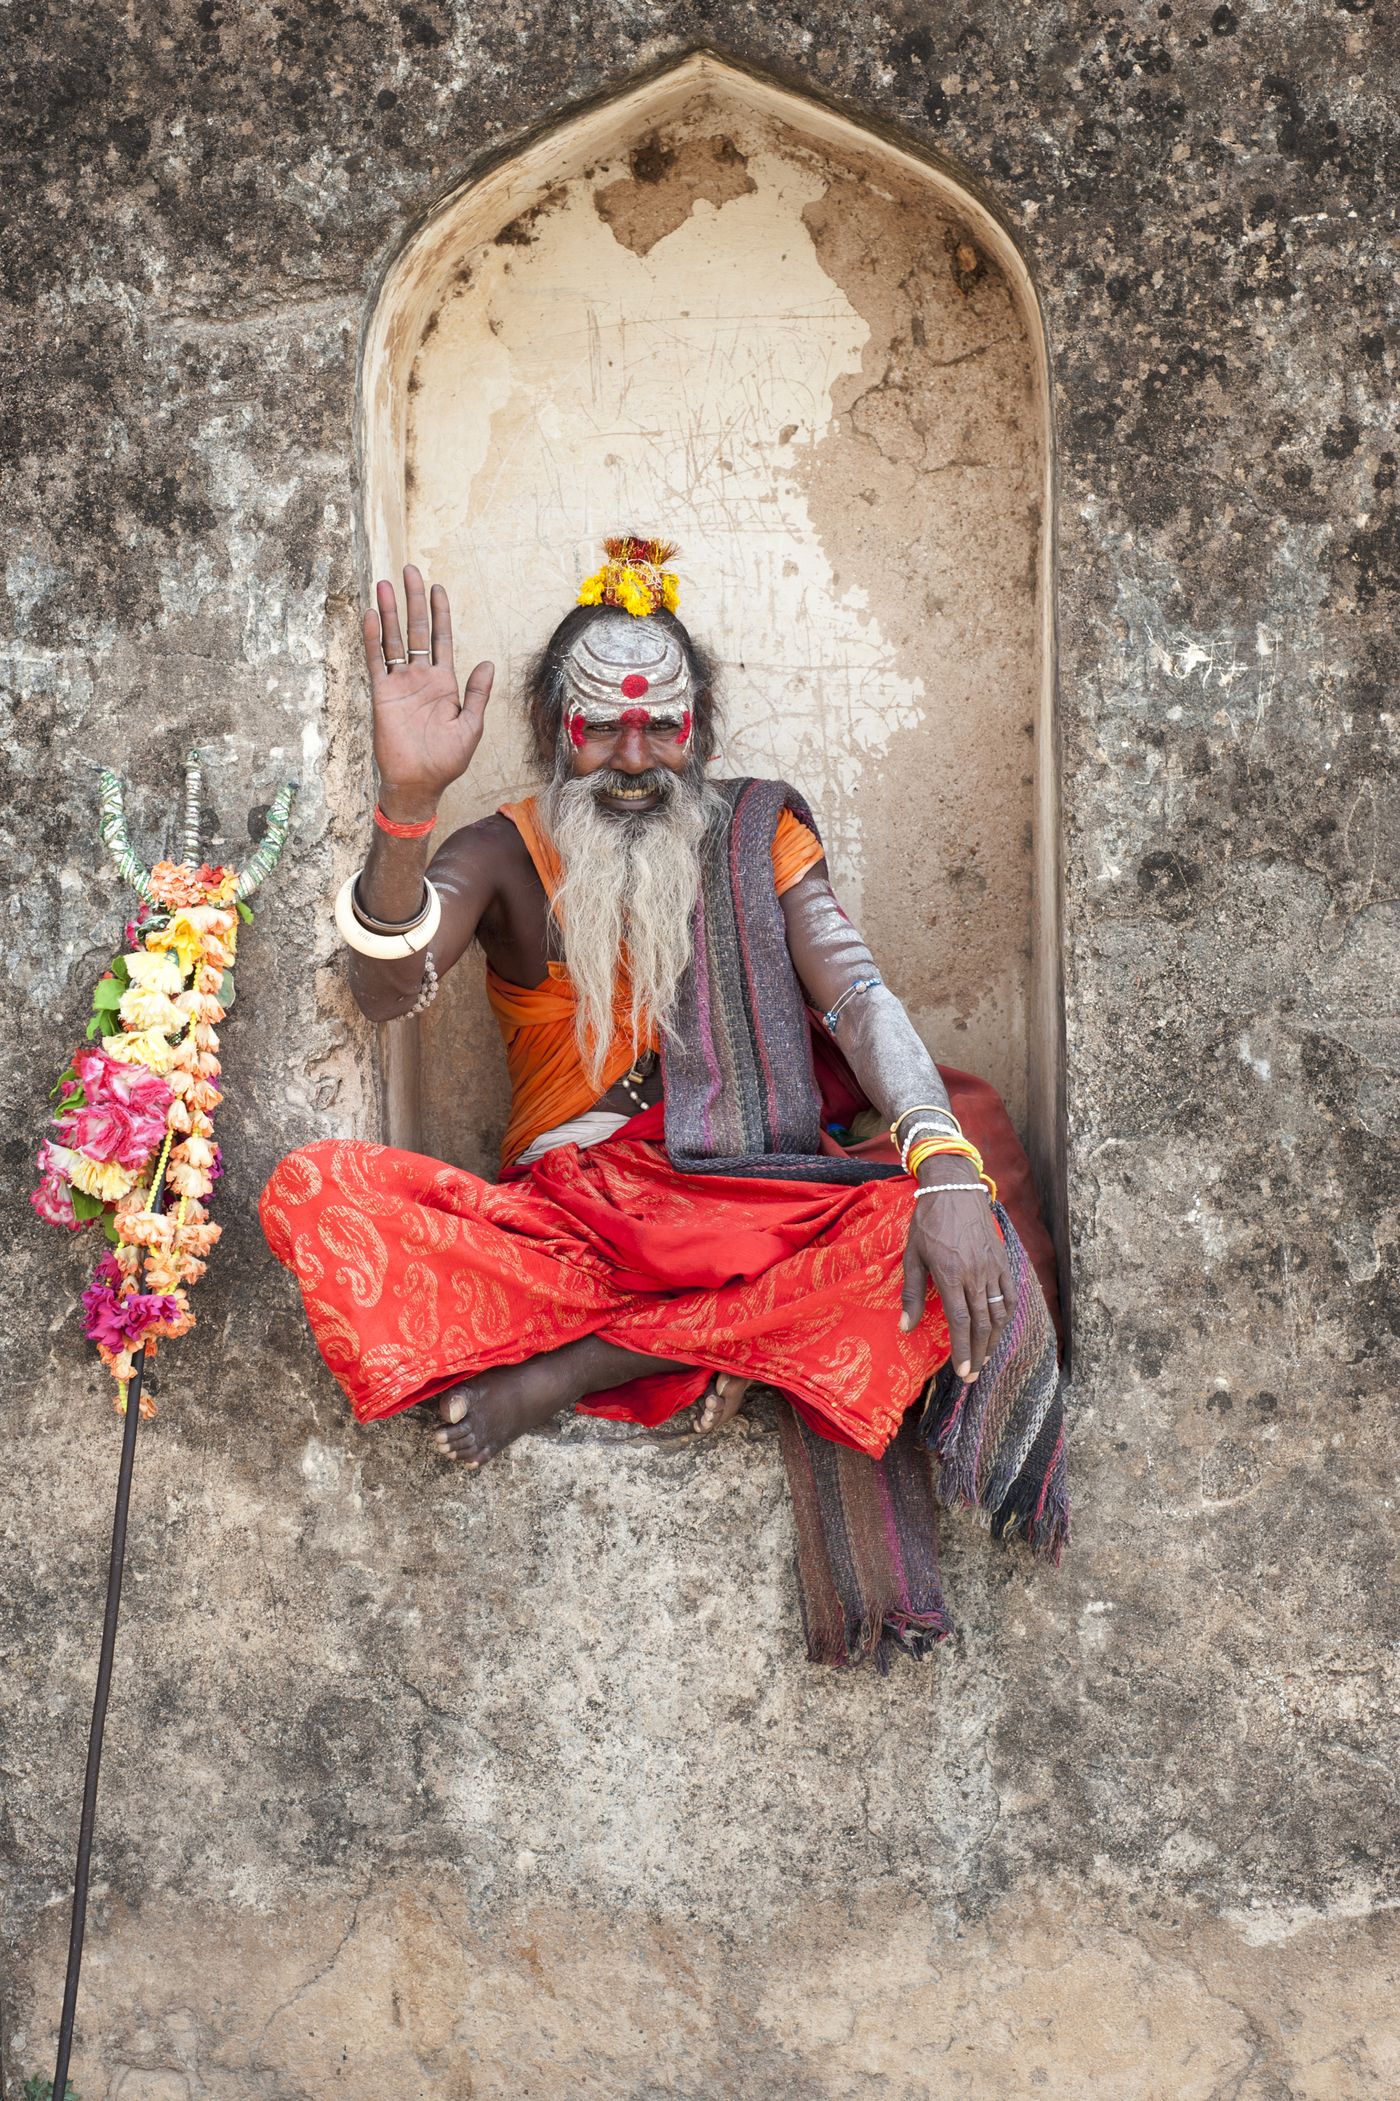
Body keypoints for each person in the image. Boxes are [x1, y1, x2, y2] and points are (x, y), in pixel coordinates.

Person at [260, 539, 1042, 1475]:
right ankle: (734, 1338)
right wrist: (407, 799)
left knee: (959, 1199)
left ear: (698, 731)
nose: (634, 762)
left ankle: (586, 1364)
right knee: (314, 1196)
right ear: (558, 729)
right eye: (601, 729)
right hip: (569, 1236)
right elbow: (383, 990)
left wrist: (945, 1164)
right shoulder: (505, 853)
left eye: (661, 728)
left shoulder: (757, 833)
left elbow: (858, 996)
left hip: (751, 1202)